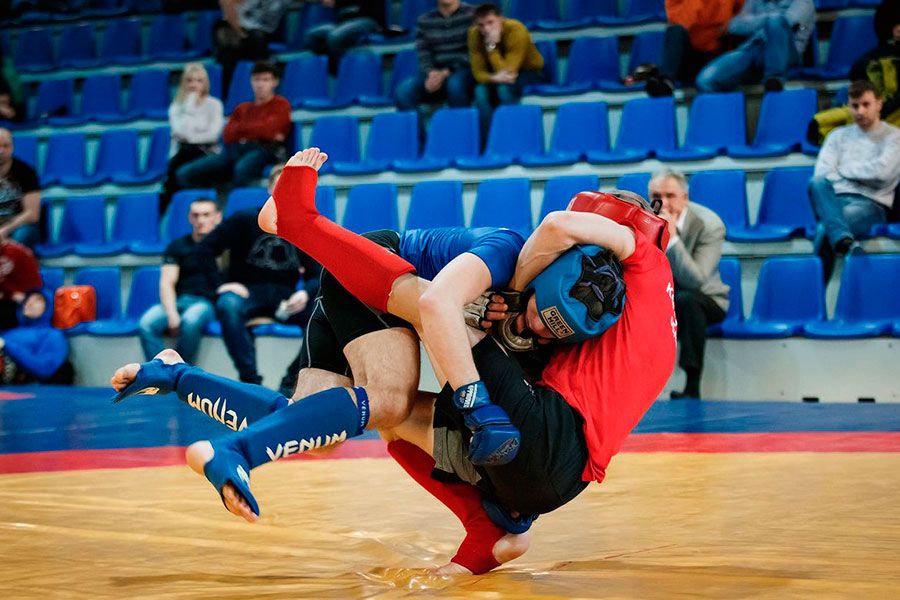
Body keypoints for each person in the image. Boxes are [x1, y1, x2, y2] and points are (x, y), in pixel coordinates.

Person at [112, 147, 677, 575]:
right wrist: (479, 403)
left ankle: (176, 374)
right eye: (536, 313)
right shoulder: (509, 251)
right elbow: (435, 306)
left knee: (317, 422)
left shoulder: (567, 306)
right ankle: (298, 224)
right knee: (389, 397)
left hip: (386, 293)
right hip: (369, 268)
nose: (534, 326)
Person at [195, 169, 321, 383]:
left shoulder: (304, 226)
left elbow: (317, 275)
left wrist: (304, 293)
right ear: (270, 188)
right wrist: (221, 285)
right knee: (228, 304)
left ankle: (291, 379)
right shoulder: (244, 219)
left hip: (285, 299)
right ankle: (250, 378)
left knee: (323, 316)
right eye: (281, 183)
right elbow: (205, 249)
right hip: (247, 292)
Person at [808, 80, 900, 282]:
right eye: (854, 105)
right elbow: (823, 174)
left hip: (870, 205)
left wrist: (843, 171)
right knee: (815, 182)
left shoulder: (895, 137)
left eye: (866, 104)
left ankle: (812, 298)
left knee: (825, 228)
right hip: (834, 200)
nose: (860, 111)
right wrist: (862, 177)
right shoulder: (836, 136)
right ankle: (843, 240)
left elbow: (883, 174)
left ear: (879, 104)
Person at [649, 170, 728, 399]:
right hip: (664, 297)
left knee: (687, 300)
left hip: (707, 298)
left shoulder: (710, 224)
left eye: (670, 195)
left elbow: (696, 280)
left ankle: (692, 385)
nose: (662, 202)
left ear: (685, 197)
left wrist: (672, 238)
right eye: (656, 195)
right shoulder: (644, 220)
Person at [177, 61, 291, 190]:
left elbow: (268, 131)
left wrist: (242, 129)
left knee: (241, 169)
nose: (260, 85)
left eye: (265, 80)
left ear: (274, 82)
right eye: (256, 80)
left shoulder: (281, 104)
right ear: (251, 81)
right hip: (233, 149)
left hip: (263, 149)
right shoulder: (242, 108)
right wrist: (257, 128)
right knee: (185, 173)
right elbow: (228, 134)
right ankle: (205, 204)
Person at [137, 198, 222, 364]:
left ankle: (181, 374)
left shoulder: (225, 247)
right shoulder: (177, 246)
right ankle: (159, 373)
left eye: (206, 215)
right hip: (180, 300)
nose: (201, 220)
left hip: (206, 303)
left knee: (190, 320)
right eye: (196, 215)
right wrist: (171, 313)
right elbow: (166, 283)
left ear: (217, 217)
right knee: (146, 323)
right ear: (190, 218)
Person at [394, 0, 476, 140]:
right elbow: (423, 54)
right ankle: (422, 145)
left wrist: (446, 72)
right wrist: (431, 73)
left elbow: (475, 53)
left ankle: (461, 140)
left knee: (455, 85)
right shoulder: (424, 20)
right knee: (403, 92)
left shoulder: (473, 15)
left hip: (465, 70)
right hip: (435, 74)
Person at [695, 0, 814, 94]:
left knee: (776, 22)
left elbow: (786, 23)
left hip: (786, 52)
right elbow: (734, 25)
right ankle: (725, 122)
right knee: (705, 81)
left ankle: (774, 79)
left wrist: (756, 22)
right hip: (754, 48)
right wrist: (767, 20)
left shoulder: (803, 2)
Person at [468, 3, 545, 141]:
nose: (486, 29)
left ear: (501, 19)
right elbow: (478, 73)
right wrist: (493, 78)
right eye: (481, 25)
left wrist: (491, 46)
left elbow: (509, 72)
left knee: (504, 89)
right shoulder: (473, 34)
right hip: (496, 76)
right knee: (479, 91)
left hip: (529, 72)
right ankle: (490, 141)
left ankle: (512, 136)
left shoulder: (516, 29)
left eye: (490, 22)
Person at [638, 0, 744, 96]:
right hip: (691, 55)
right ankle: (666, 82)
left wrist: (730, 24)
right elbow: (682, 22)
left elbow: (743, 15)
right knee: (675, 31)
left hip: (719, 51)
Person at [162, 64, 225, 213]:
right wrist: (190, 103)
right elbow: (180, 131)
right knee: (179, 165)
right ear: (184, 82)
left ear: (205, 83)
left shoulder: (214, 104)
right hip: (183, 152)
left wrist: (191, 138)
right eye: (190, 80)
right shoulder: (177, 107)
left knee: (175, 177)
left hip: (207, 153)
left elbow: (213, 134)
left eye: (199, 80)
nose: (194, 84)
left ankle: (181, 209)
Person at [214, 0, 290, 94]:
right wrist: (239, 32)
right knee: (228, 48)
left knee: (257, 39)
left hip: (259, 34)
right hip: (234, 28)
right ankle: (225, 94)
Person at [304, 0, 388, 74]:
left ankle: (347, 72)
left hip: (367, 19)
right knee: (312, 36)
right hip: (343, 24)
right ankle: (332, 71)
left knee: (335, 36)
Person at [0, 128, 40, 249]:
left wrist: (5, 229)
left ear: (12, 147)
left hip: (18, 224)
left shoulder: (26, 172)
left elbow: (33, 214)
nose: (1, 151)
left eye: (6, 146)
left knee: (22, 236)